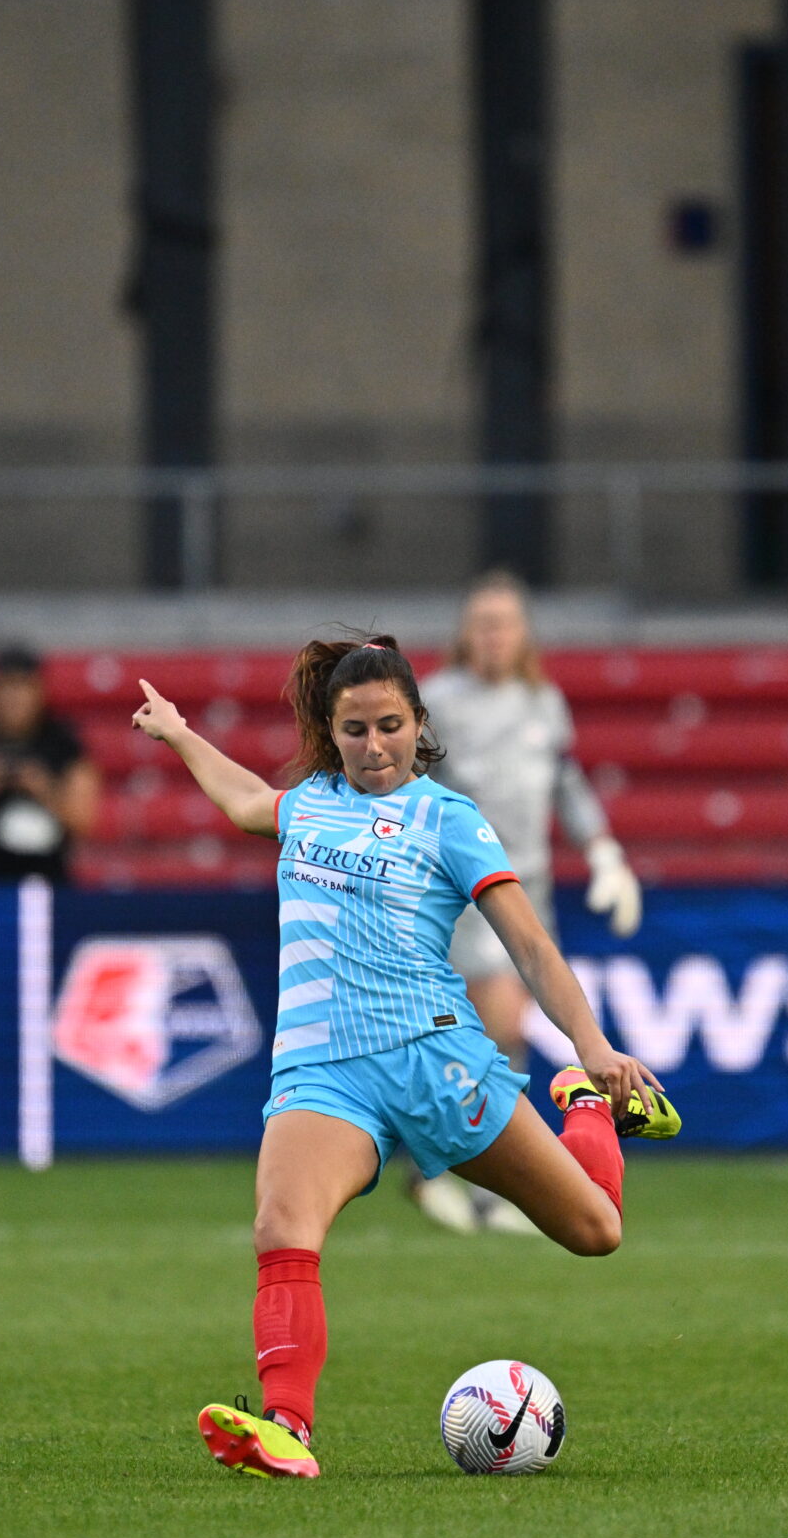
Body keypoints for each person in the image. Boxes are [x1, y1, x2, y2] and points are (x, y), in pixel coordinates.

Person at [129, 635, 680, 1480]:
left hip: (434, 1061)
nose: (374, 745)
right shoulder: (307, 804)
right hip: (322, 1073)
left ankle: (586, 1105)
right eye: (355, 729)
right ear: (331, 728)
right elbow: (245, 799)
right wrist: (175, 731)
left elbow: (529, 945)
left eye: (391, 725)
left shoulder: (448, 819)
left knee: (595, 1229)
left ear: (419, 723)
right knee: (282, 1227)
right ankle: (286, 1427)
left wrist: (592, 1049)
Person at [410, 571, 644, 1234]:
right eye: (481, 623)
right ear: (465, 633)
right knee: (498, 1026)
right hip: (460, 888)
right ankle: (480, 1186)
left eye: (504, 623)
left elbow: (566, 782)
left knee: (486, 1035)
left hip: (530, 886)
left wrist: (603, 851)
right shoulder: (440, 702)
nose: (492, 636)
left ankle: (445, 1172)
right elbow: (406, 788)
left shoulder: (544, 701)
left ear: (523, 634)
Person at [0, 645, 101, 884]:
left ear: (39, 690)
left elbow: (84, 821)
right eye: (7, 687)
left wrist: (44, 791)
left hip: (53, 878)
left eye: (22, 687)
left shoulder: (65, 746)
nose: (14, 698)